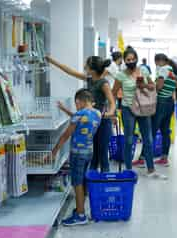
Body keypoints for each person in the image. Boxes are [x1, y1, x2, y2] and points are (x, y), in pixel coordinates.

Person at [46, 55, 116, 172]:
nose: (84, 66)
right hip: (91, 121)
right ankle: (92, 183)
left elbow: (112, 102)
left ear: (92, 70)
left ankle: (103, 184)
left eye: (86, 65)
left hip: (103, 121)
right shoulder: (89, 79)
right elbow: (69, 71)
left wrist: (110, 113)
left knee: (103, 154)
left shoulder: (104, 83)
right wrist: (52, 61)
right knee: (94, 155)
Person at [112, 46, 166, 179]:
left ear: (136, 59)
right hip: (128, 108)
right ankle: (129, 169)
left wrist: (144, 86)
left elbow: (153, 86)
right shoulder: (120, 75)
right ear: (124, 61)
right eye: (128, 59)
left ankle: (151, 169)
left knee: (148, 138)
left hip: (143, 108)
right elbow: (113, 94)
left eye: (133, 58)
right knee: (129, 140)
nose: (131, 61)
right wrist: (113, 111)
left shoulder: (143, 71)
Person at [50, 89, 101, 226]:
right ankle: (80, 208)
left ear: (79, 101)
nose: (76, 106)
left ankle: (80, 215)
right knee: (83, 181)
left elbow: (66, 135)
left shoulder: (79, 115)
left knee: (77, 183)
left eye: (76, 104)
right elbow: (80, 118)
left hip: (77, 153)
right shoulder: (97, 113)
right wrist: (64, 109)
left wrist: (54, 151)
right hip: (89, 151)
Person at [135, 53, 177, 167]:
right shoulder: (172, 70)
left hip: (161, 103)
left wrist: (146, 86)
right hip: (169, 102)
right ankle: (164, 158)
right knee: (165, 131)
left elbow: (159, 87)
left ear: (158, 61)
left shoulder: (163, 69)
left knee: (151, 131)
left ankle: (143, 158)